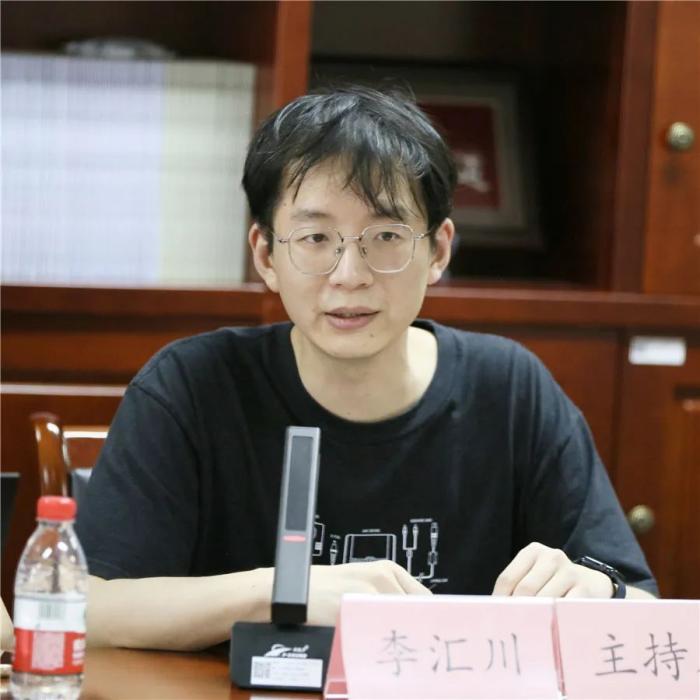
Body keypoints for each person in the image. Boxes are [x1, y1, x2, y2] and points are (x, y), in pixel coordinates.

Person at [76, 86, 657, 651]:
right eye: (315, 237)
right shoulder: (192, 385)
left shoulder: (510, 390)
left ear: (438, 251)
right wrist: (284, 592)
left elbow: (641, 609)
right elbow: (86, 607)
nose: (349, 274)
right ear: (265, 255)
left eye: (385, 236)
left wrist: (596, 592)